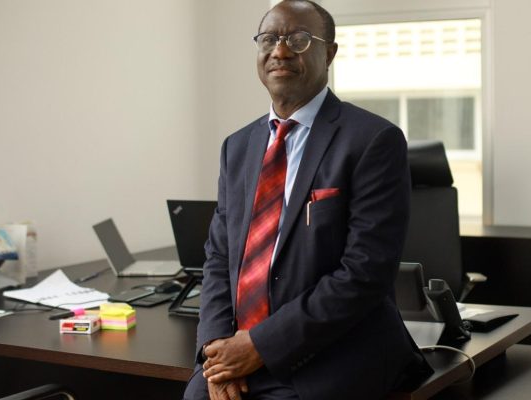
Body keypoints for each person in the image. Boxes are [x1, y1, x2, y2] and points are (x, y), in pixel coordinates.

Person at [183, 1, 431, 399]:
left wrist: (259, 346)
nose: (280, 50)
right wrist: (216, 352)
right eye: (269, 38)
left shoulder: (372, 140)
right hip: (239, 352)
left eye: (299, 39)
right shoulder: (238, 147)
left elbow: (364, 275)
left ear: (329, 52)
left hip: (329, 352)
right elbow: (219, 258)